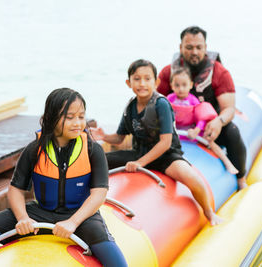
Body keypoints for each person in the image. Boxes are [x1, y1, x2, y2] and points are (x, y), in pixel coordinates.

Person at [0, 88, 127, 267]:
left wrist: (72, 222)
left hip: (80, 215)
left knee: (116, 261)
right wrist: (23, 218)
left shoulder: (92, 150)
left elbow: (99, 194)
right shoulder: (35, 149)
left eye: (81, 116)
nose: (77, 122)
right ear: (52, 117)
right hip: (41, 212)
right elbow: (16, 190)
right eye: (70, 117)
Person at [91, 59, 222, 226]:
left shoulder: (161, 104)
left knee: (191, 177)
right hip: (139, 152)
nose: (142, 83)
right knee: (98, 161)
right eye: (137, 79)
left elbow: (165, 142)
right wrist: (104, 136)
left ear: (156, 82)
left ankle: (209, 213)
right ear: (128, 83)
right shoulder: (130, 106)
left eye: (147, 79)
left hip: (166, 157)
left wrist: (140, 163)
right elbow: (119, 138)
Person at [157, 25, 248, 189]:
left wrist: (219, 122)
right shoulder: (168, 72)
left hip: (208, 127)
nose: (194, 52)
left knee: (232, 132)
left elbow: (229, 108)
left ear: (205, 48)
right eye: (189, 47)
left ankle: (241, 178)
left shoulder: (219, 73)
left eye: (199, 47)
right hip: (177, 129)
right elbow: (154, 103)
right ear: (180, 47)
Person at [167, 67, 238, 175]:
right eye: (177, 85)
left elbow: (202, 117)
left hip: (192, 131)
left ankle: (228, 162)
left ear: (190, 85)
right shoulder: (169, 99)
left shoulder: (193, 101)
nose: (180, 89)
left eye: (184, 85)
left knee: (211, 142)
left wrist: (196, 130)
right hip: (175, 131)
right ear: (171, 85)